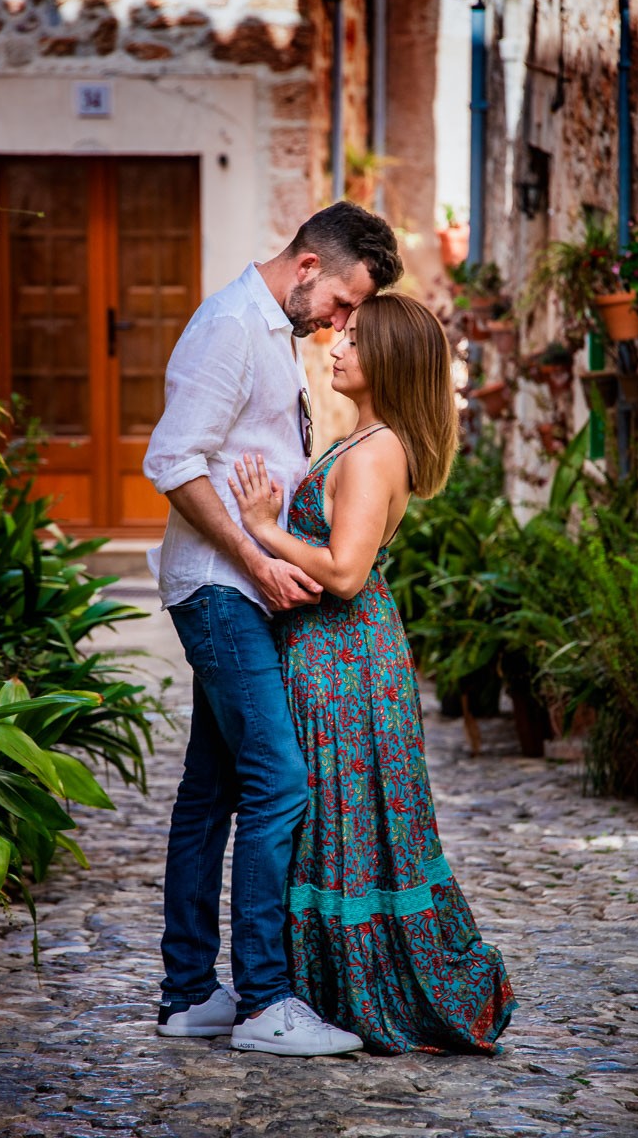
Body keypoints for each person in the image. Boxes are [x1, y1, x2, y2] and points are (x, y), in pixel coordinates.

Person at [142, 201, 403, 1057]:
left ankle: (189, 995)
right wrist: (256, 561)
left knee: (211, 794)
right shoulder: (228, 328)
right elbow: (172, 461)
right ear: (306, 268)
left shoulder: (272, 334)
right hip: (223, 590)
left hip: (242, 590)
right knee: (280, 783)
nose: (338, 324)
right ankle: (263, 1001)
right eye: (340, 303)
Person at [229, 292, 518, 1054]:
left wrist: (263, 531)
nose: (335, 346)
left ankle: (355, 988)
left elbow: (346, 571)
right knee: (334, 815)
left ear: (388, 356)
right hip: (335, 652)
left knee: (340, 814)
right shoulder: (358, 439)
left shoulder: (374, 449)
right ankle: (310, 984)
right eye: (339, 334)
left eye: (353, 339)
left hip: (344, 655)